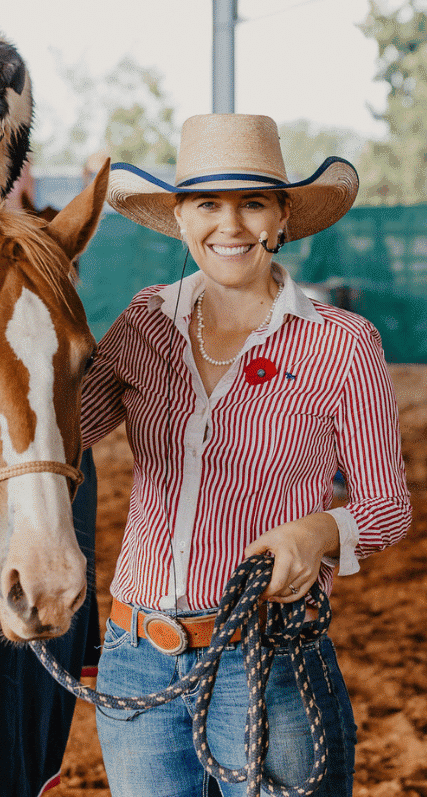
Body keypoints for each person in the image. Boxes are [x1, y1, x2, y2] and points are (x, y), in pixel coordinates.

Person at [81, 113, 412, 797]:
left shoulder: (343, 344)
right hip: (135, 657)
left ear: (283, 216)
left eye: (252, 202)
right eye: (207, 203)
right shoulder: (143, 322)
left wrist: (318, 530)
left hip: (268, 656)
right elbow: (57, 433)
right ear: (180, 218)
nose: (229, 225)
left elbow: (387, 508)